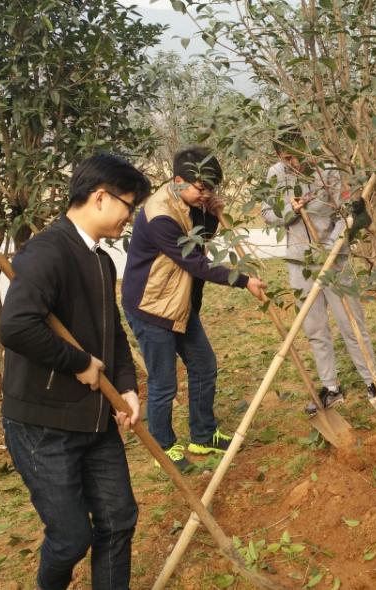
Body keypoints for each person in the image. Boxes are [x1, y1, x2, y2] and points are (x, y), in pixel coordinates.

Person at [0, 153, 151, 590]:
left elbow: (113, 333)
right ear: (100, 197)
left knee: (119, 520)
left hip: (95, 418)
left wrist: (126, 387)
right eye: (128, 204)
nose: (129, 216)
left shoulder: (100, 261)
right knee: (69, 539)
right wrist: (79, 362)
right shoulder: (47, 252)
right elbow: (17, 326)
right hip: (42, 423)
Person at [122, 146, 266, 471]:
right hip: (152, 307)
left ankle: (202, 435)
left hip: (181, 304)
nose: (206, 194)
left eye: (211, 189)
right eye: (201, 189)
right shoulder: (160, 215)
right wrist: (244, 281)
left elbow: (201, 237)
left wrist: (209, 211)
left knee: (204, 366)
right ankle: (163, 446)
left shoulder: (189, 202)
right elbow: (196, 264)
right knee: (163, 383)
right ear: (177, 181)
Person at [262, 126, 376, 414]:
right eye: (288, 157)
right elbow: (267, 213)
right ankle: (331, 388)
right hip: (300, 262)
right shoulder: (275, 175)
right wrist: (288, 210)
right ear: (279, 155)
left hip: (334, 258)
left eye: (298, 155)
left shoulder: (327, 169)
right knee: (314, 328)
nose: (295, 162)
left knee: (351, 323)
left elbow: (346, 213)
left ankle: (372, 382)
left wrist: (333, 246)